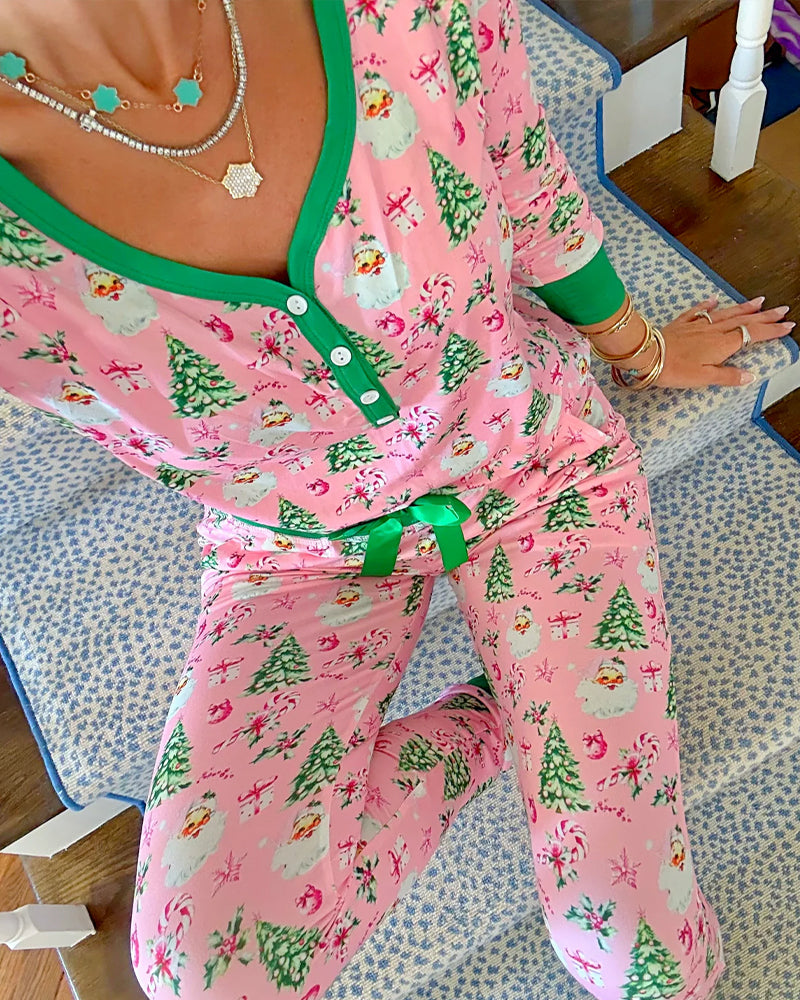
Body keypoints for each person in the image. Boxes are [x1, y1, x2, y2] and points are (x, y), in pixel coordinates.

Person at [0, 1, 792, 998]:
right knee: (202, 968)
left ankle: (542, 698)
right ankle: (498, 715)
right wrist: (509, 717)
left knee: (640, 959)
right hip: (294, 549)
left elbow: (529, 184)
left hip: (534, 461)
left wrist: (640, 348)